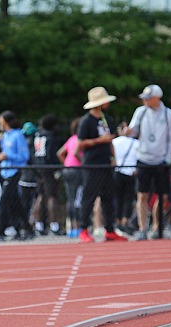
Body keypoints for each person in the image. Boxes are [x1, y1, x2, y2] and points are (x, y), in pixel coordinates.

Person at [123, 84, 171, 240]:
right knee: (142, 195)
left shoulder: (169, 114)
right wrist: (128, 132)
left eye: (148, 98)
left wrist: (168, 159)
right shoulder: (140, 112)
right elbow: (133, 131)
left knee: (162, 196)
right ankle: (142, 229)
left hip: (161, 160)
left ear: (157, 98)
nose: (145, 101)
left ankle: (156, 226)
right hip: (144, 158)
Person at [77, 87, 128, 243]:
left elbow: (110, 140)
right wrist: (99, 141)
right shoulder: (86, 121)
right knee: (89, 197)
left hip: (106, 163)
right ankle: (84, 229)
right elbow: (80, 143)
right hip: (92, 164)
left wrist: (114, 157)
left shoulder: (108, 119)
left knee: (108, 197)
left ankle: (110, 230)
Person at [0, 110, 29, 241]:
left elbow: (24, 156)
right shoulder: (5, 136)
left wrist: (8, 156)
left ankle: (0, 231)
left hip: (14, 172)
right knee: (14, 202)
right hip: (4, 172)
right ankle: (24, 228)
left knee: (4, 201)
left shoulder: (18, 135)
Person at [33, 114, 64, 236]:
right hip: (49, 170)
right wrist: (56, 171)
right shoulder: (50, 137)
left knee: (41, 196)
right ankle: (54, 225)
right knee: (52, 196)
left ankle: (39, 224)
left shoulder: (38, 136)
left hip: (39, 169)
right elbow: (52, 156)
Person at [57, 117, 83, 238]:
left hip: (68, 169)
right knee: (78, 199)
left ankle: (71, 227)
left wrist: (66, 163)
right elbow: (76, 153)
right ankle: (77, 226)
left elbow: (60, 153)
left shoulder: (71, 139)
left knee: (70, 199)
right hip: (77, 170)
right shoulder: (80, 139)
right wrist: (82, 163)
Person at [112, 121, 139, 235]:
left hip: (118, 171)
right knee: (128, 198)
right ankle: (125, 220)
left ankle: (118, 221)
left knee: (118, 198)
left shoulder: (114, 142)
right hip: (130, 171)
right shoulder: (135, 143)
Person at [18, 121, 39, 239]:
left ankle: (26, 227)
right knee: (29, 204)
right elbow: (32, 160)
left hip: (24, 176)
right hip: (30, 177)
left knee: (26, 204)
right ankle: (27, 227)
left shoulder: (23, 142)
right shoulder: (31, 144)